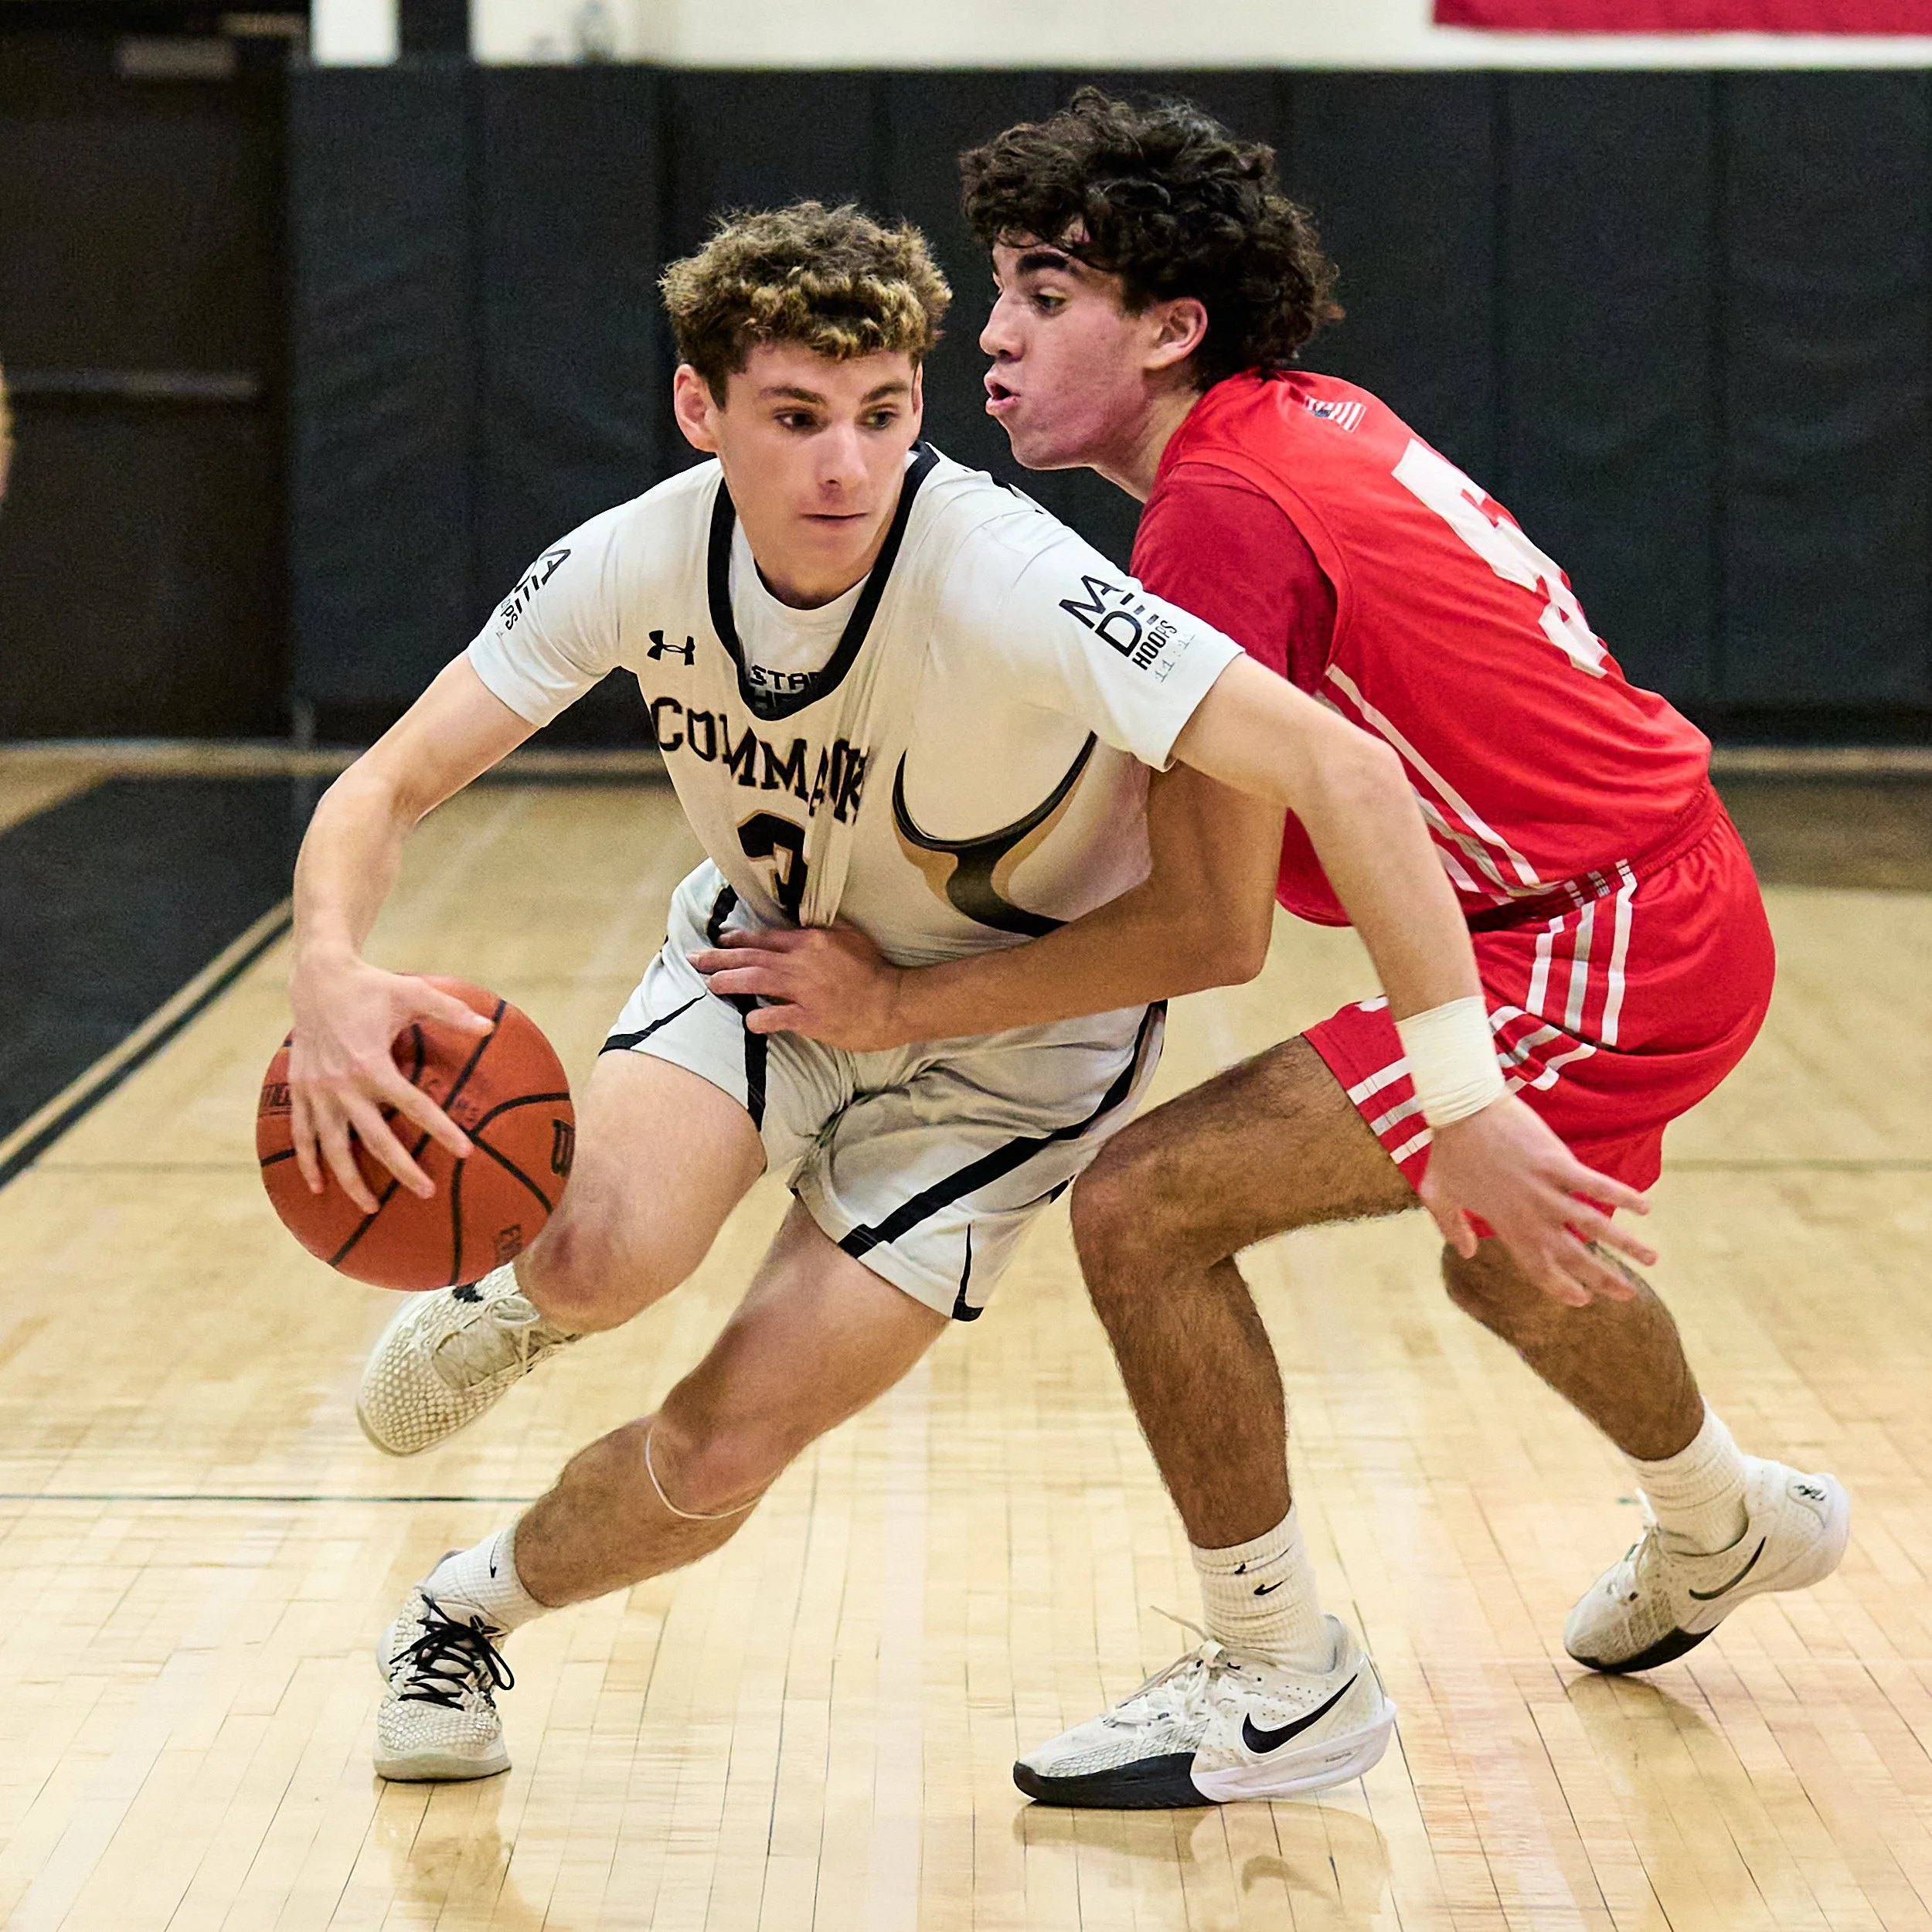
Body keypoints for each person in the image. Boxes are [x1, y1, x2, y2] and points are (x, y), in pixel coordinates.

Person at [288, 200, 1646, 1792]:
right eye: (793, 419)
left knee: (720, 1443)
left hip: (1011, 1050)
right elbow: (386, 784)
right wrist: (325, 962)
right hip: (774, 963)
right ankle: (519, 1293)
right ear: (697, 406)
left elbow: (1340, 767)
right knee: (595, 1258)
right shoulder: (636, 554)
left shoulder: (1012, 578)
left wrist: (1463, 1095)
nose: (842, 468)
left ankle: (463, 1610)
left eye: (878, 415)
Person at [689, 94, 1851, 1810]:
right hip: (1639, 896)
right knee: (1500, 1260)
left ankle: (1280, 1676)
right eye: (998, 287)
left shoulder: (1219, 516)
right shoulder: (1301, 418)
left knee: (1142, 1206)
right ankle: (1723, 1519)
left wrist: (899, 1004)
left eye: (1041, 289)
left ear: (1169, 328)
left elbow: (1203, 929)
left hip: (1593, 936)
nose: (991, 334)